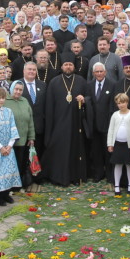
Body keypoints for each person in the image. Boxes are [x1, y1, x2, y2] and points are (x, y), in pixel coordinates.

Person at [42, 53, 90, 186]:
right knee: (60, 151)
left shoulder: (81, 80)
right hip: (59, 123)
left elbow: (89, 99)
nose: (68, 67)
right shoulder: (54, 82)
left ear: (74, 66)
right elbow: (49, 106)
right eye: (66, 65)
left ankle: (75, 177)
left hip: (76, 123)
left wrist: (84, 100)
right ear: (62, 66)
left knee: (75, 150)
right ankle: (59, 177)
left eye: (70, 64)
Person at [4, 81, 35, 190]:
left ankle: (19, 186)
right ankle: (9, 187)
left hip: (23, 139)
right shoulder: (5, 101)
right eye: (16, 89)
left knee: (21, 164)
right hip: (9, 141)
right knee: (11, 165)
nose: (18, 91)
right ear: (11, 89)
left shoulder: (25, 101)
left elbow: (30, 120)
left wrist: (31, 137)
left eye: (20, 90)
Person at [107, 93, 130, 193]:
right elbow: (111, 130)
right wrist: (110, 144)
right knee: (118, 165)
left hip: (128, 145)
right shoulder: (115, 115)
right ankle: (117, 186)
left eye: (123, 102)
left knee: (129, 165)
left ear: (127, 103)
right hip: (117, 144)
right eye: (119, 103)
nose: (121, 105)